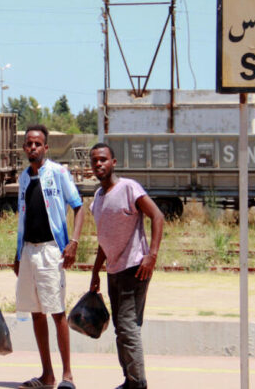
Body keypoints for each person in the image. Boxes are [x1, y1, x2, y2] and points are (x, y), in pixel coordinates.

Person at [88, 143, 164, 389]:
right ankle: (130, 380)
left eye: (103, 159)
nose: (99, 164)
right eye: (95, 161)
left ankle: (138, 383)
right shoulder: (98, 200)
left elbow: (158, 216)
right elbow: (103, 239)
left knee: (129, 327)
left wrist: (152, 255)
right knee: (121, 329)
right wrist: (96, 271)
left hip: (135, 268)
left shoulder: (129, 188)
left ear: (114, 162)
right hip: (113, 271)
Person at [14, 124, 84, 389]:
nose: (33, 147)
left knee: (56, 311)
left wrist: (73, 242)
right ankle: (47, 375)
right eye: (29, 143)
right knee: (36, 312)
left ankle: (67, 375)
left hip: (50, 251)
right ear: (24, 148)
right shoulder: (23, 178)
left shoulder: (58, 173)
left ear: (46, 147)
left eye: (37, 143)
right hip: (29, 251)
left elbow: (79, 207)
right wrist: (17, 253)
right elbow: (23, 218)